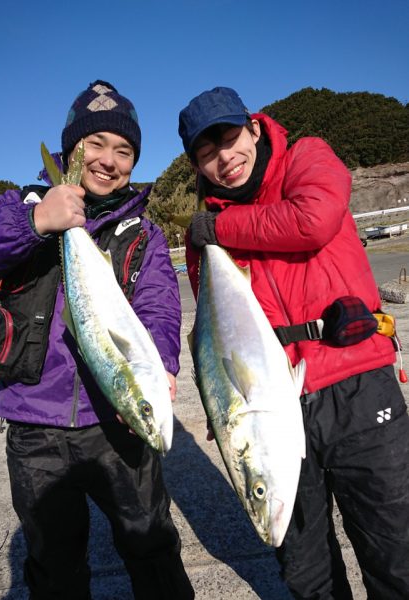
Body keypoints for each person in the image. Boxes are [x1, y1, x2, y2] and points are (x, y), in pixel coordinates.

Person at [0, 80, 194, 600]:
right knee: (55, 565)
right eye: (96, 144)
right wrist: (37, 220)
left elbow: (158, 306)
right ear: (69, 149)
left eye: (124, 150)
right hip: (34, 426)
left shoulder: (144, 233)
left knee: (152, 548)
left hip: (117, 421)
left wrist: (162, 364)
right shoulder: (22, 205)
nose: (109, 160)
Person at [178, 86, 409, 599]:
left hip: (356, 384)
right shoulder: (203, 237)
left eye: (230, 138)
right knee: (305, 571)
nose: (224, 158)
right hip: (275, 406)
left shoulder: (307, 156)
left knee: (396, 551)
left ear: (255, 129)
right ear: (197, 164)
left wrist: (218, 227)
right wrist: (222, 403)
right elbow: (214, 338)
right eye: (206, 152)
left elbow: (313, 219)